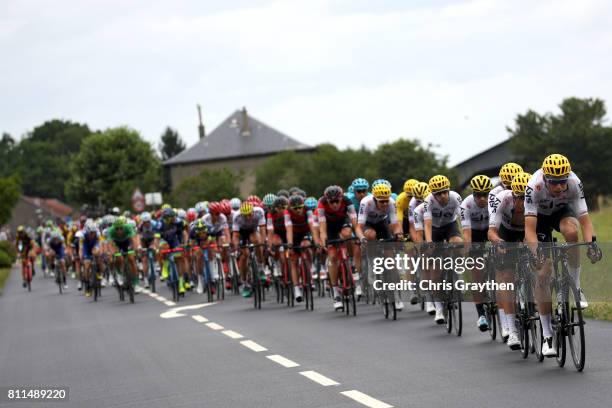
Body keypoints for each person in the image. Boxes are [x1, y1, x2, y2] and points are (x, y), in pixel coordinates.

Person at [524, 154, 601, 357]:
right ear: (545, 178)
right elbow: (529, 230)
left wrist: (591, 244)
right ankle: (547, 336)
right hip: (538, 219)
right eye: (554, 183)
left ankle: (575, 286)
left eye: (562, 182)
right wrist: (536, 252)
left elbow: (584, 220)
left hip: (560, 213)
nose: (559, 187)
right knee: (543, 273)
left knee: (572, 233)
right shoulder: (534, 185)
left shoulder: (574, 182)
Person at [488, 172, 531, 350]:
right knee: (506, 278)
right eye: (519, 198)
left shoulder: (535, 202)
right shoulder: (502, 199)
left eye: (526, 197)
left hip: (527, 230)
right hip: (505, 233)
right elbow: (491, 231)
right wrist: (499, 242)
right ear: (512, 195)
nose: (523, 202)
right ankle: (512, 330)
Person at [423, 175, 463, 324]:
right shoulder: (428, 201)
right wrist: (429, 243)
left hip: (450, 226)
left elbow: (462, 219)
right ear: (433, 194)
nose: (443, 196)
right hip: (434, 229)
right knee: (435, 274)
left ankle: (457, 269)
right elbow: (427, 224)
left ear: (449, 190)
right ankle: (439, 308)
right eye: (438, 193)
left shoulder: (456, 198)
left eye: (445, 192)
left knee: (457, 242)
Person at [461, 175, 493, 332]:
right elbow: (466, 235)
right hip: (474, 235)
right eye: (478, 195)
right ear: (473, 195)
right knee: (477, 272)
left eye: (485, 194)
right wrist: (468, 251)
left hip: (490, 231)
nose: (482, 199)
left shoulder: (495, 201)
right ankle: (481, 314)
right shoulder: (466, 204)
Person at [317, 185, 358, 310]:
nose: (334, 204)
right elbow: (322, 228)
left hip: (342, 222)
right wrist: (324, 242)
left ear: (341, 198)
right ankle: (335, 292)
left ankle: (350, 261)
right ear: (327, 200)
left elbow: (355, 223)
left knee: (348, 235)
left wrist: (358, 236)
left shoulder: (347, 201)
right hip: (329, 226)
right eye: (332, 202)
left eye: (337, 201)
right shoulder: (321, 204)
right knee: (333, 256)